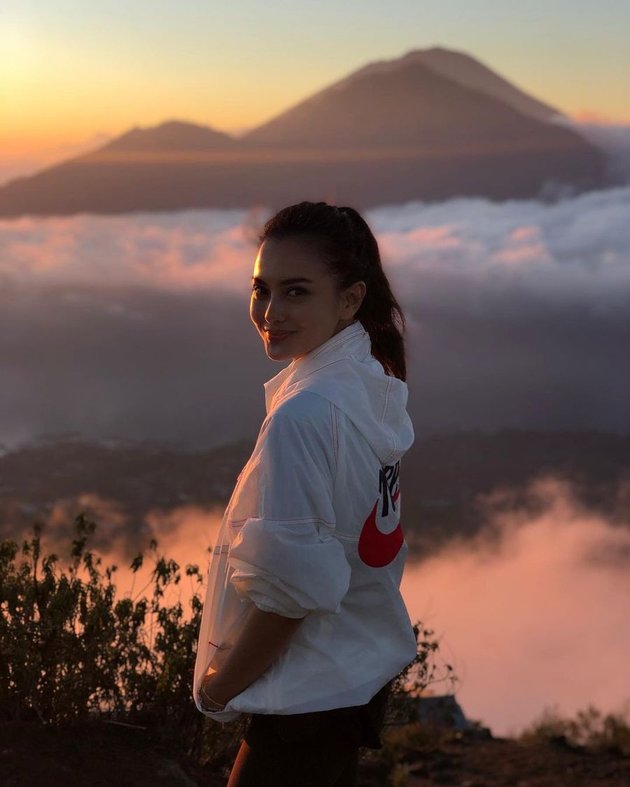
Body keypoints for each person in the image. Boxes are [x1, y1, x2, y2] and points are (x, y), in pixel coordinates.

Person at [193, 201, 417, 786]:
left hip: (303, 699)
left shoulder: (306, 415)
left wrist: (219, 687)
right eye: (261, 290)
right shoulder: (370, 386)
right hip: (350, 683)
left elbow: (294, 591)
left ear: (349, 299)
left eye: (296, 292)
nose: (270, 312)